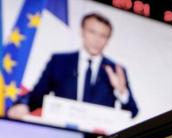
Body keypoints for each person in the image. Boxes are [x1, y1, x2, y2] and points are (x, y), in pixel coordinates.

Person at [7, 13, 138, 119]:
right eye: (92, 32)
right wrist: (23, 105)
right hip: (62, 137)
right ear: (82, 31)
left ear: (108, 39)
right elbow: (37, 95)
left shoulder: (116, 70)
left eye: (103, 36)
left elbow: (133, 112)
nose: (97, 40)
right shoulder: (59, 61)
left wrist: (122, 92)